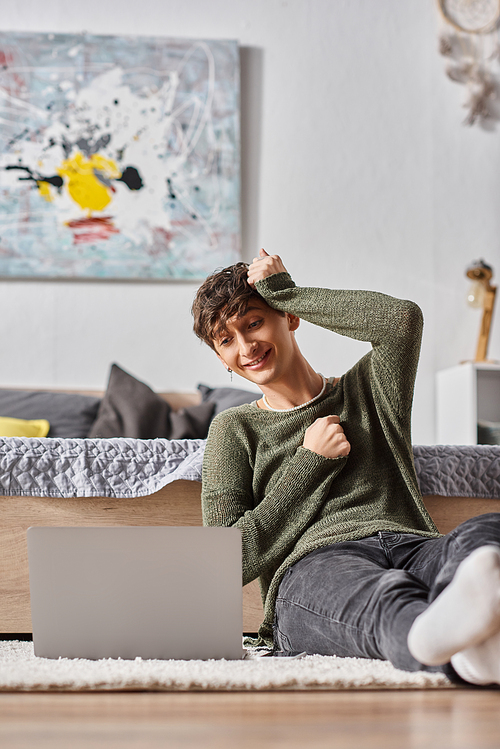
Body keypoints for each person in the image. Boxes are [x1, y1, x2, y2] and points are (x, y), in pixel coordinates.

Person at [192, 248, 500, 685]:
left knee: (485, 532)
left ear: (289, 317)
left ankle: (470, 645)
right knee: (383, 598)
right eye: (226, 340)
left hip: (411, 545)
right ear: (221, 359)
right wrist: (308, 463)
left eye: (254, 322)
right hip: (313, 568)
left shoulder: (368, 388)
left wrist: (287, 291)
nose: (246, 346)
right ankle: (445, 644)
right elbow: (221, 561)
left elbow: (401, 320)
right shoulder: (233, 428)